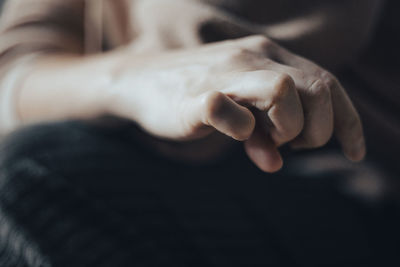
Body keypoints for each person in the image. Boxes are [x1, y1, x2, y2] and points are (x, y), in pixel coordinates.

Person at [0, 0, 397, 266]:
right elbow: (17, 67)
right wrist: (128, 79)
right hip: (158, 167)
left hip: (359, 191)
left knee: (37, 177)